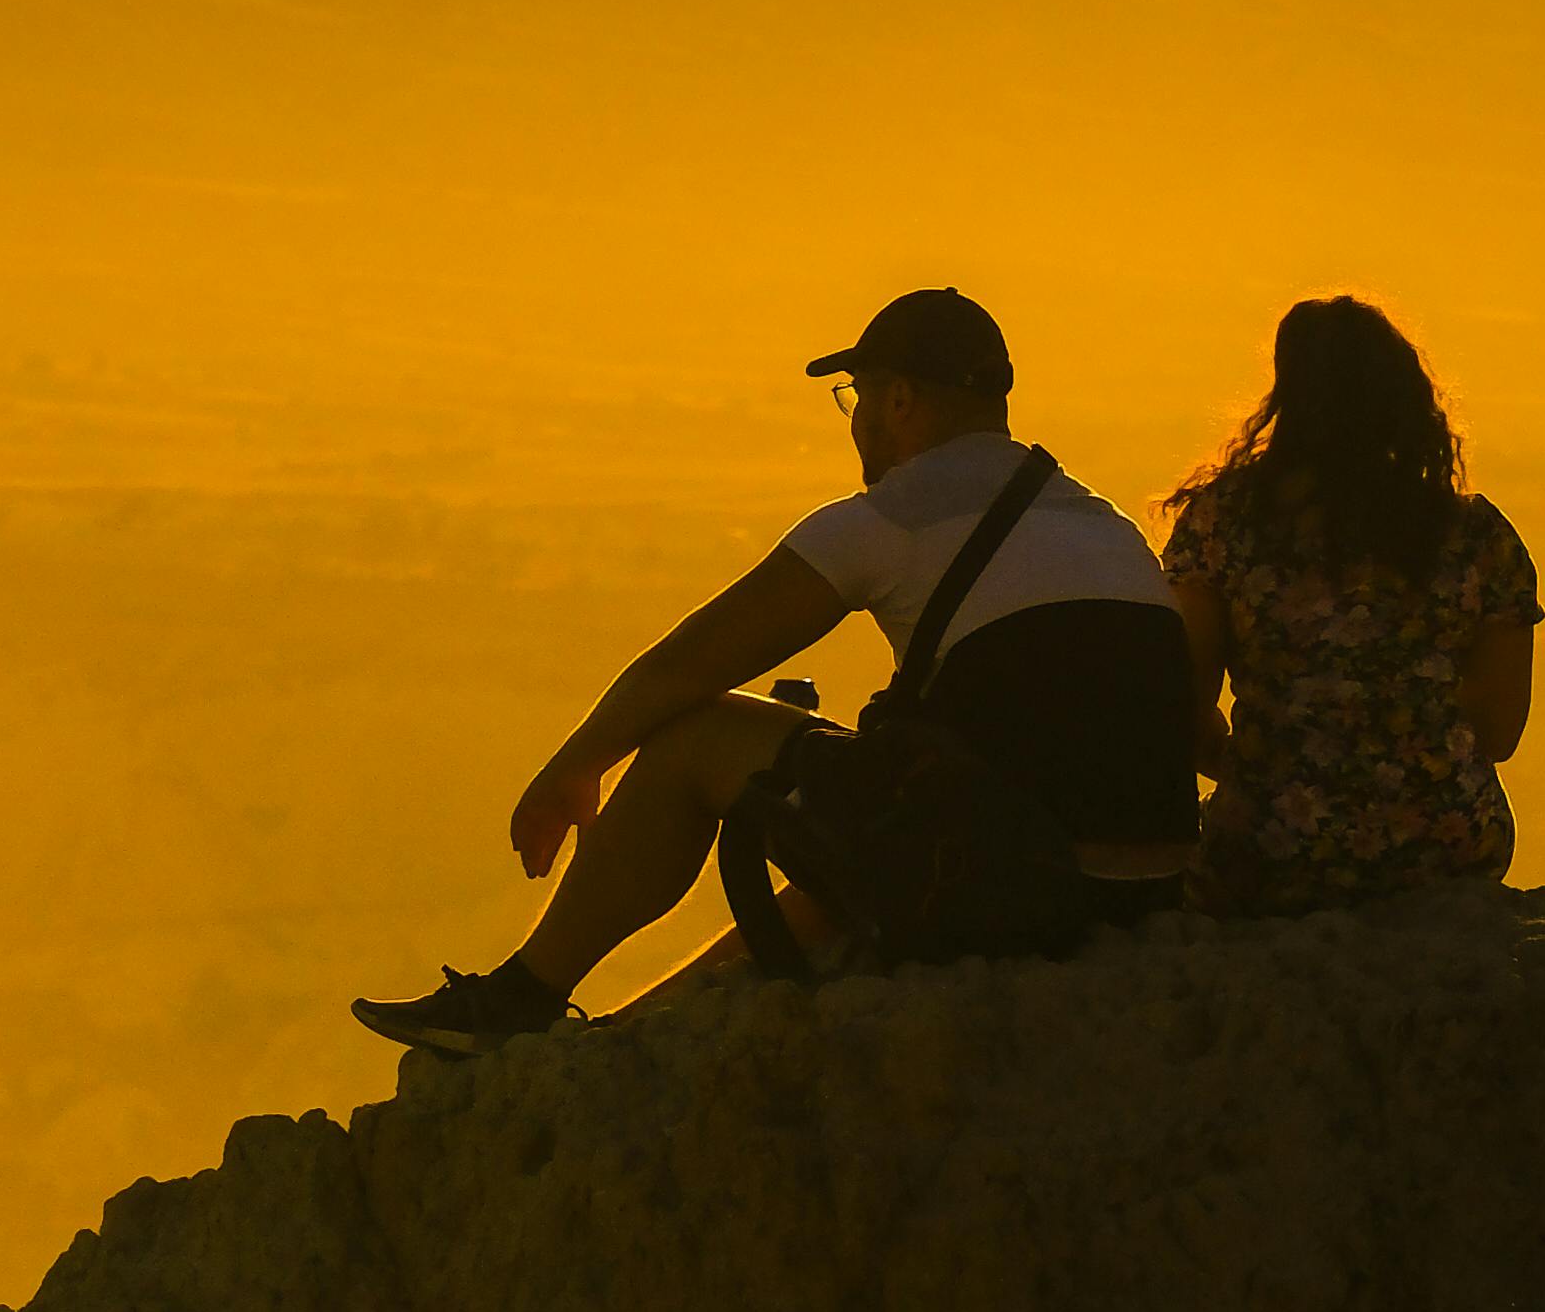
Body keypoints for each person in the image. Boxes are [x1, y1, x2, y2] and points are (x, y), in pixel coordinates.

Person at [355, 288, 1198, 1054]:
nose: (857, 419)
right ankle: (633, 1035)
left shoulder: (890, 519)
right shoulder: (1102, 522)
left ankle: (521, 996)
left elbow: (691, 664)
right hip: (1140, 892)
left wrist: (577, 764)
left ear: (899, 398)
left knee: (699, 738)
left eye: (858, 395)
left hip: (1005, 884)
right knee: (858, 831)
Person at [1161, 296, 1538, 914]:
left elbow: (1184, 707)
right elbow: (1499, 731)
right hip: (1447, 844)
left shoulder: (1222, 524)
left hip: (1269, 847)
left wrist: (1258, 771)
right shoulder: (1477, 537)